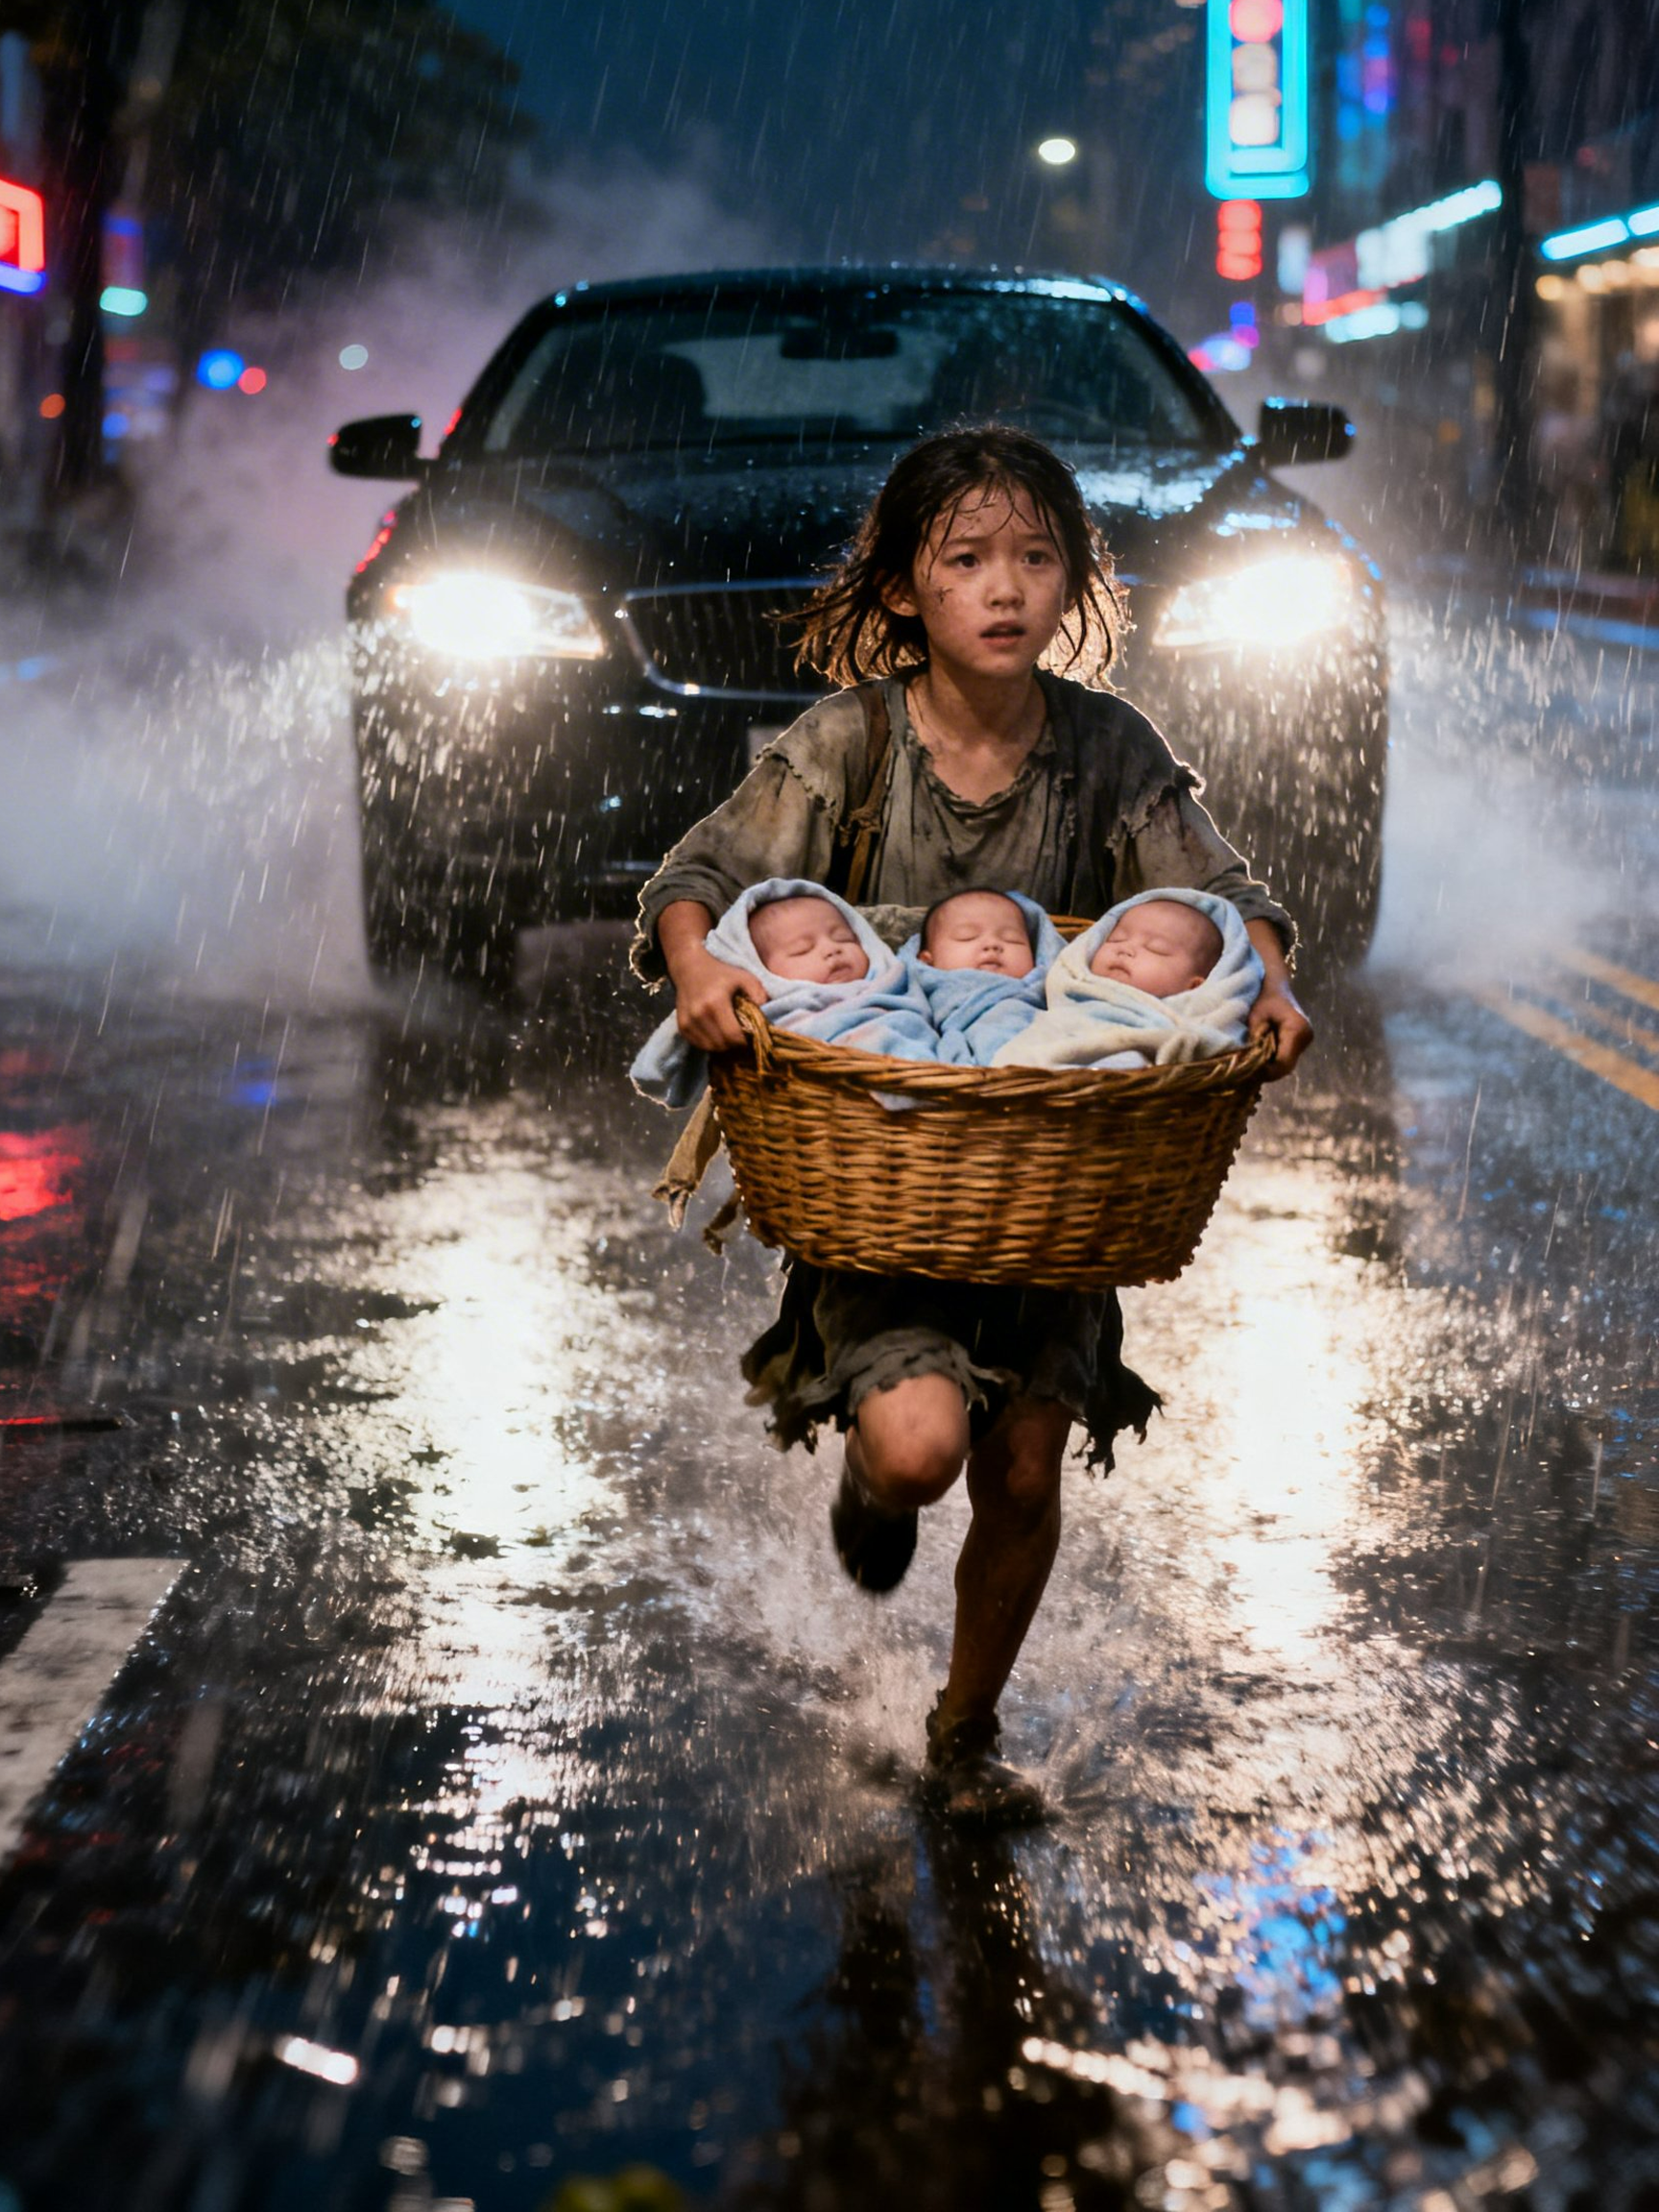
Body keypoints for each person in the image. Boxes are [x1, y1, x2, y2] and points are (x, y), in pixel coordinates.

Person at [631, 424, 1311, 1824]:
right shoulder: (851, 745)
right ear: (903, 592)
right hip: (880, 1183)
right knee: (926, 1449)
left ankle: (964, 1728)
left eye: (1037, 558)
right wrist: (700, 970)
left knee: (1021, 1461)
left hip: (1053, 1196)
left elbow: (1229, 894)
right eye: (967, 562)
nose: (1006, 589)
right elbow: (699, 873)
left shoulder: (1109, 750)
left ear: (1074, 585)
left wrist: (1270, 983)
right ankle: (875, 1491)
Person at [994, 886, 1262, 1072]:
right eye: (1116, 939)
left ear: (1194, 986)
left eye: (1155, 948)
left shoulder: (1179, 1023)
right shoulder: (1068, 995)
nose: (1126, 948)